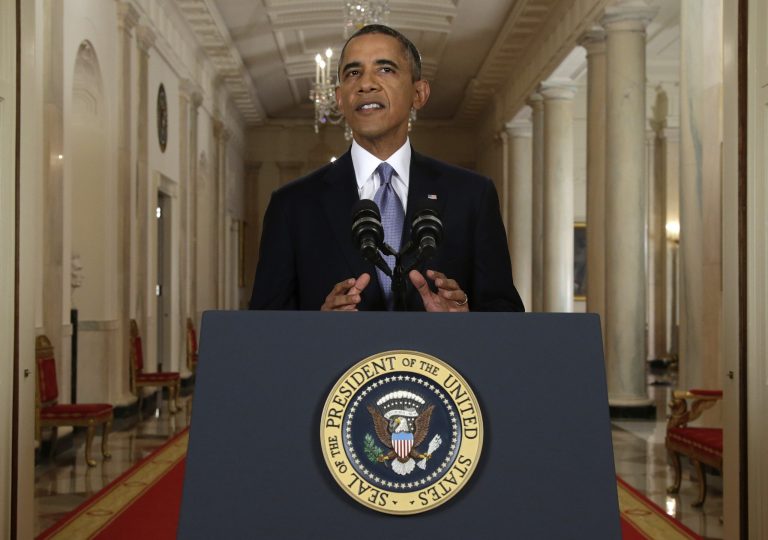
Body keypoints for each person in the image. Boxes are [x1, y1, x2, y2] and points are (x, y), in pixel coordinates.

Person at [249, 24, 524, 312]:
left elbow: (506, 316)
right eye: (353, 73)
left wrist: (463, 316)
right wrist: (319, 327)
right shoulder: (291, 205)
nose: (366, 84)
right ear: (340, 98)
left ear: (419, 93)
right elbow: (263, 327)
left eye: (385, 69)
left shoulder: (472, 195)